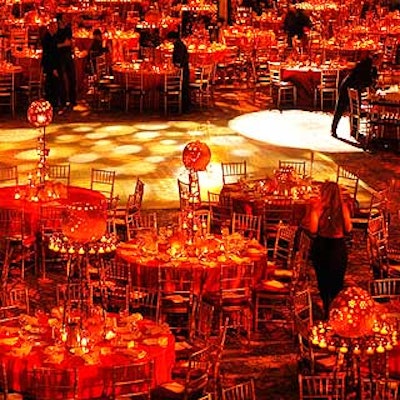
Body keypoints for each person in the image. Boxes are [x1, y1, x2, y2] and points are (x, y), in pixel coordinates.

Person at [308, 181, 352, 319]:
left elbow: (313, 229)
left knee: (323, 279)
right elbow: (348, 228)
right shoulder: (343, 208)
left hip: (322, 246)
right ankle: (334, 310)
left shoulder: (318, 208)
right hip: (338, 247)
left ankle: (326, 306)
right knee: (337, 280)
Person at [331, 51, 378, 137]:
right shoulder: (365, 65)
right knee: (341, 108)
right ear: (375, 59)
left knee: (354, 109)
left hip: (354, 87)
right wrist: (372, 84)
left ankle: (353, 130)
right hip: (349, 86)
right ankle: (335, 129)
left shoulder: (370, 66)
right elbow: (366, 80)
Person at [56, 12, 77, 113]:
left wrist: (71, 46)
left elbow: (70, 41)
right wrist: (64, 44)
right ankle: (63, 101)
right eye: (64, 17)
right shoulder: (56, 30)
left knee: (72, 77)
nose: (66, 19)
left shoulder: (68, 28)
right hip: (59, 56)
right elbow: (55, 45)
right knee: (62, 80)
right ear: (59, 19)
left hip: (68, 55)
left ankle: (73, 100)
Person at [167, 31, 191, 113]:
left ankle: (184, 107)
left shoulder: (178, 45)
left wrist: (177, 66)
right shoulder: (180, 44)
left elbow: (179, 58)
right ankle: (183, 106)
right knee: (184, 87)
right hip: (184, 68)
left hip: (183, 69)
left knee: (183, 87)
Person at [41, 20, 60, 110]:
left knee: (54, 84)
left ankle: (53, 103)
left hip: (52, 64)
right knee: (50, 84)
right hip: (50, 65)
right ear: (51, 27)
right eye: (55, 27)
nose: (56, 29)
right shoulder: (47, 38)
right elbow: (49, 54)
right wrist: (53, 68)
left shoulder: (53, 37)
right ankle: (51, 103)